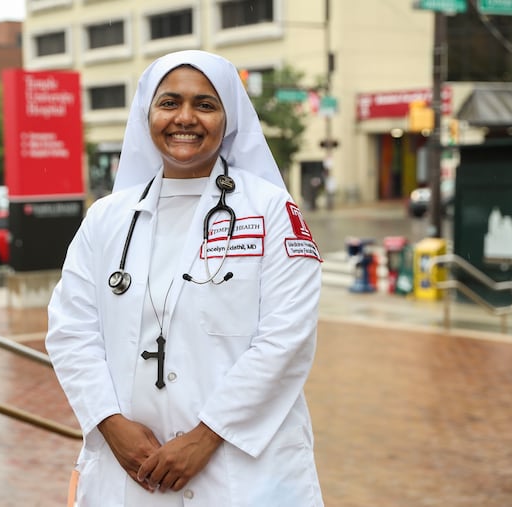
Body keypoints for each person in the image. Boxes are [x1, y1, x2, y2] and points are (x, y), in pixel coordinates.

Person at [46, 50, 324, 506]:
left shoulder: (272, 211)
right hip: (131, 472)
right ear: (147, 114)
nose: (186, 118)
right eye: (169, 102)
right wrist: (109, 423)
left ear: (228, 117)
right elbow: (70, 330)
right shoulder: (106, 219)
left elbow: (286, 339)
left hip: (241, 474)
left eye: (206, 105)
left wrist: (205, 436)